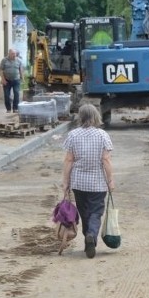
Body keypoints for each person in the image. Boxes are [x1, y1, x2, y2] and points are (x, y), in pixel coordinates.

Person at [61, 103, 115, 259]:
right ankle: (91, 235)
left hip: (78, 182)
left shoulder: (73, 135)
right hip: (97, 183)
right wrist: (110, 180)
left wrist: (65, 182)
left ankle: (87, 240)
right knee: (96, 212)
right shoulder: (102, 135)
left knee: (84, 212)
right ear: (95, 117)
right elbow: (106, 159)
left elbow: (69, 160)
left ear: (81, 117)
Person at [0, 48, 24, 113]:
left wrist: (22, 78)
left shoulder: (19, 61)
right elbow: (0, 70)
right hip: (6, 80)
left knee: (16, 93)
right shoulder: (4, 60)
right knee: (7, 95)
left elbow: (20, 70)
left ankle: (15, 108)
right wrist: (3, 79)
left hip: (16, 80)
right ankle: (8, 109)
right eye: (13, 54)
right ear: (9, 54)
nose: (14, 55)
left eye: (15, 54)